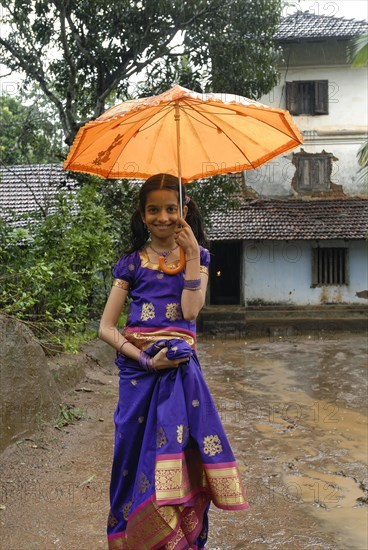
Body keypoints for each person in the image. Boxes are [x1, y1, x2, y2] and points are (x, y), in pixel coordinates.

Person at [99, 173, 248, 550]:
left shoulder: (198, 258)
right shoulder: (130, 265)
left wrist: (193, 255)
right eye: (154, 209)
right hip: (139, 375)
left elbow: (189, 311)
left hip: (181, 376)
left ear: (184, 210)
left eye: (170, 208)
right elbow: (106, 328)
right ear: (141, 213)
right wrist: (147, 361)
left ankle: (179, 540)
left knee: (183, 455)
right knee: (130, 453)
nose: (162, 217)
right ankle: (132, 538)